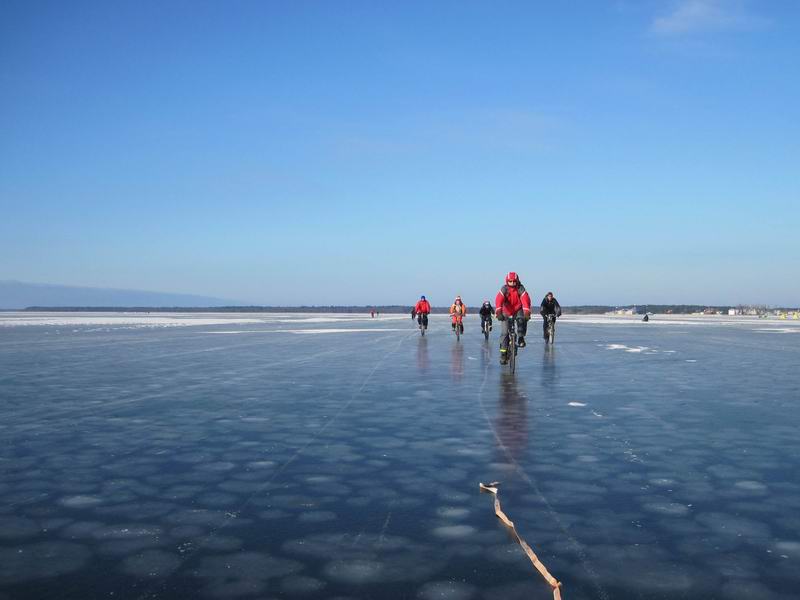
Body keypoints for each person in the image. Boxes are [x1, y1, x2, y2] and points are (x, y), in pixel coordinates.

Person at [495, 272, 532, 364]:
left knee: (521, 320)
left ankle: (520, 337)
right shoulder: (504, 289)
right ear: (507, 281)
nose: (512, 283)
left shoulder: (520, 288)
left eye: (514, 281)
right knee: (504, 332)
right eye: (510, 281)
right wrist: (499, 312)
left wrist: (527, 311)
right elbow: (498, 299)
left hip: (517, 310)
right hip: (506, 311)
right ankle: (503, 355)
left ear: (517, 281)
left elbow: (525, 299)